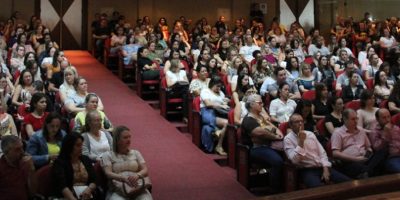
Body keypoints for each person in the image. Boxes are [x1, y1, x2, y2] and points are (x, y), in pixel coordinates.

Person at [284, 114, 351, 188]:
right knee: (319, 190)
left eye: (302, 121)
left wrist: (325, 169)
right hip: (306, 170)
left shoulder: (310, 134)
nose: (300, 123)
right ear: (290, 125)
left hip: (322, 166)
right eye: (297, 122)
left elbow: (322, 153)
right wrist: (301, 142)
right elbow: (295, 161)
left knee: (348, 183)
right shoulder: (288, 139)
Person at [241, 94, 283, 193]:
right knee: (277, 161)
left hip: (269, 145)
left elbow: (277, 130)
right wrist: (275, 136)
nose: (262, 104)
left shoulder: (261, 117)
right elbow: (260, 133)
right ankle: (274, 190)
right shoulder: (248, 120)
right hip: (255, 149)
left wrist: (273, 134)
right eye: (259, 103)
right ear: (251, 105)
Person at [101, 126, 153, 200]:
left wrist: (137, 175)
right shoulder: (107, 155)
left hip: (137, 188)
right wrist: (123, 178)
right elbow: (108, 173)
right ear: (117, 140)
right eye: (125, 138)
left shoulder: (136, 153)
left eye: (129, 137)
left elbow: (145, 170)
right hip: (118, 190)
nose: (129, 140)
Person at [331, 109, 385, 178]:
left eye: (357, 118)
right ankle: (368, 171)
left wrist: (369, 151)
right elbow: (335, 153)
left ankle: (366, 172)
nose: (356, 121)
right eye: (353, 119)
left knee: (382, 152)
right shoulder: (338, 133)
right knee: (374, 168)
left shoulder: (361, 130)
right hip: (350, 161)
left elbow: (368, 146)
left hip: (365, 158)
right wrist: (355, 159)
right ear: (345, 119)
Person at [51, 133, 98, 200]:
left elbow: (94, 179)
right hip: (67, 196)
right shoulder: (59, 163)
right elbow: (62, 186)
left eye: (81, 145)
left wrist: (89, 189)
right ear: (69, 146)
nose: (81, 148)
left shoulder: (85, 159)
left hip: (86, 195)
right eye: (78, 145)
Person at [0, 135, 37, 200]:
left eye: (22, 148)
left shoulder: (25, 164)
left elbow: (33, 192)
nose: (22, 152)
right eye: (17, 150)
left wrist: (32, 169)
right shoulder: (1, 167)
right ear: (6, 152)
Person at [200, 76, 229, 155]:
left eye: (220, 86)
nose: (219, 88)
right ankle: (219, 146)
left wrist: (226, 102)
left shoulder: (221, 93)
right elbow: (208, 104)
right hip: (207, 112)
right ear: (212, 84)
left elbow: (224, 104)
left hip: (219, 113)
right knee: (227, 123)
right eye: (217, 86)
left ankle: (218, 132)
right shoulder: (205, 91)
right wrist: (220, 105)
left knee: (231, 121)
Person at [368, 108, 399, 173]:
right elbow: (377, 148)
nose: (387, 120)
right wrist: (385, 133)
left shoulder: (395, 127)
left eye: (388, 117)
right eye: (384, 118)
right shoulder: (374, 131)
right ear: (377, 119)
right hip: (390, 158)